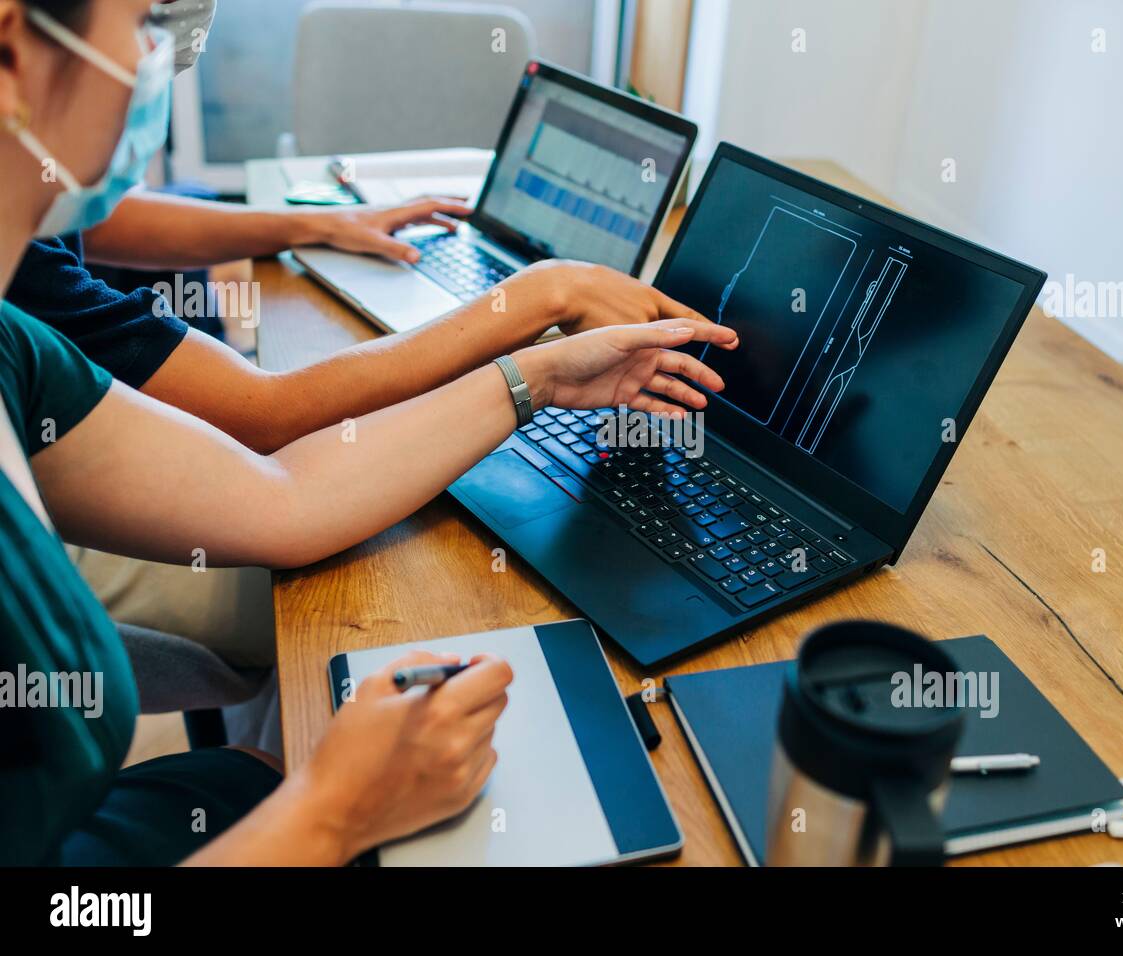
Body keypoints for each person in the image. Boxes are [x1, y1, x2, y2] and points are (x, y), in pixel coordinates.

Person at [0, 0, 738, 865]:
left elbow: (283, 499)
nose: (167, 60)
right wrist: (331, 811)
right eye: (148, 27)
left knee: (268, 761)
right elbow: (265, 415)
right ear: (16, 49)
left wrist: (534, 378)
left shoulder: (15, 346)